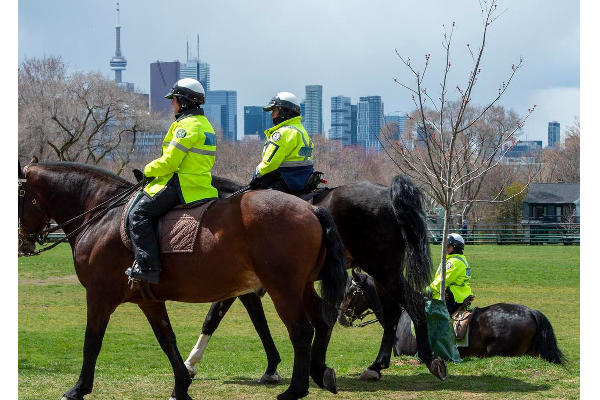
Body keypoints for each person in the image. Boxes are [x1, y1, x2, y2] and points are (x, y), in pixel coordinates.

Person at [125, 78, 218, 284]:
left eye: (173, 100)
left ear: (183, 102)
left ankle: (148, 267)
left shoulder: (185, 127)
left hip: (181, 184)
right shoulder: (206, 125)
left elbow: (170, 162)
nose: (171, 104)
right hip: (202, 185)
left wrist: (148, 170)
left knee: (138, 214)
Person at [248, 92, 314, 194]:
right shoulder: (302, 131)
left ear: (284, 112)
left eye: (274, 110)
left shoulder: (282, 133)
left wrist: (257, 174)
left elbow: (270, 163)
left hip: (286, 181)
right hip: (302, 181)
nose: (271, 115)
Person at [428, 233, 473, 315]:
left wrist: (429, 289)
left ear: (456, 248)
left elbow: (443, 280)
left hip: (454, 297)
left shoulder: (454, 262)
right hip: (460, 294)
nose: (445, 249)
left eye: (448, 247)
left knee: (434, 316)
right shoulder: (458, 259)